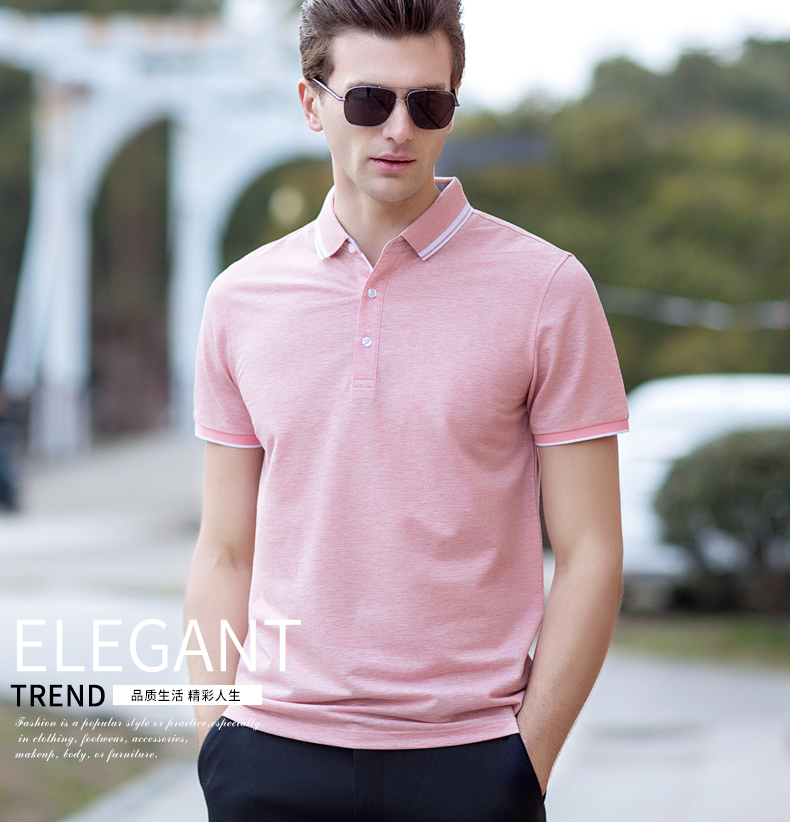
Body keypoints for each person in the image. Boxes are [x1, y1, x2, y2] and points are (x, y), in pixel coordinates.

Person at [184, 1, 629, 819]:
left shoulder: (547, 290)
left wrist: (526, 759)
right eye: (368, 100)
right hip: (269, 759)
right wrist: (218, 735)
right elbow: (223, 551)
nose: (399, 129)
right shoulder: (239, 300)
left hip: (470, 763)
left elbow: (592, 549)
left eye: (428, 103)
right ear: (311, 103)